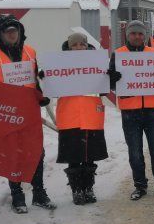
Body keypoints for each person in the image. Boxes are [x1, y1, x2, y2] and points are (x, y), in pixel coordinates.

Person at [0, 14, 56, 214]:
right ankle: (17, 194)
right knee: (13, 154)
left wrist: (41, 97)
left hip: (29, 113)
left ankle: (39, 192)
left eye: (15, 31)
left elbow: (34, 82)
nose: (12, 35)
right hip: (6, 116)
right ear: (0, 34)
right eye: (8, 32)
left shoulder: (30, 52)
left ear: (20, 32)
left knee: (36, 152)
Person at [108, 19, 154, 201]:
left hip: (151, 111)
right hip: (129, 112)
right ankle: (140, 186)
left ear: (145, 36)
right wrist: (112, 79)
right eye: (133, 33)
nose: (137, 36)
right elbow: (109, 84)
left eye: (140, 33)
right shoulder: (118, 55)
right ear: (128, 35)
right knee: (135, 152)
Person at [43, 33, 108, 205]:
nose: (78, 48)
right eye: (75, 45)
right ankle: (76, 190)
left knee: (89, 156)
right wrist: (47, 78)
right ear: (69, 47)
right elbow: (53, 90)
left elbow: (103, 89)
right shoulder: (59, 65)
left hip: (91, 115)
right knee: (73, 156)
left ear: (86, 46)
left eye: (82, 44)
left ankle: (88, 188)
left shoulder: (97, 63)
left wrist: (109, 78)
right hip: (69, 116)